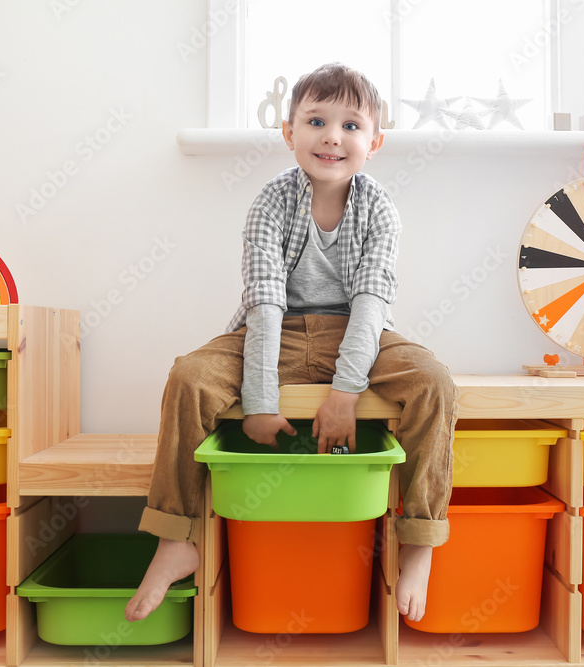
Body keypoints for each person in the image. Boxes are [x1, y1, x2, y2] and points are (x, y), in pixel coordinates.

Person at [126, 62, 458, 625]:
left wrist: (346, 393)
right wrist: (258, 401)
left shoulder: (379, 209)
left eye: (351, 125)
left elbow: (371, 305)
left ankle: (420, 540)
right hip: (267, 336)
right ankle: (176, 538)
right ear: (290, 133)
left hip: (357, 334)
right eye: (317, 120)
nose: (332, 135)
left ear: (374, 142)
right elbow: (265, 303)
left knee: (435, 382)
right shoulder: (271, 203)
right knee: (188, 376)